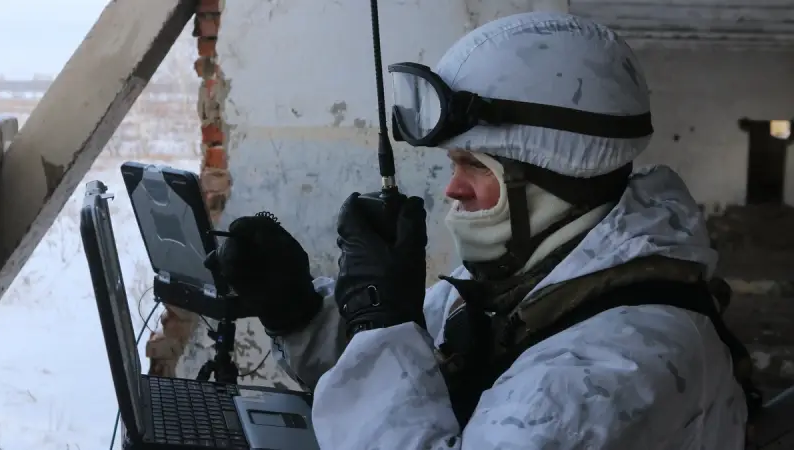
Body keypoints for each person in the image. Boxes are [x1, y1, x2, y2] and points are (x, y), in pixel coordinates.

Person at [214, 12, 756, 450]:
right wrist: (302, 312)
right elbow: (403, 387)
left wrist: (383, 323)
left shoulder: (618, 362)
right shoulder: (528, 283)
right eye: (455, 165)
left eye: (475, 166)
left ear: (552, 179)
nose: (454, 190)